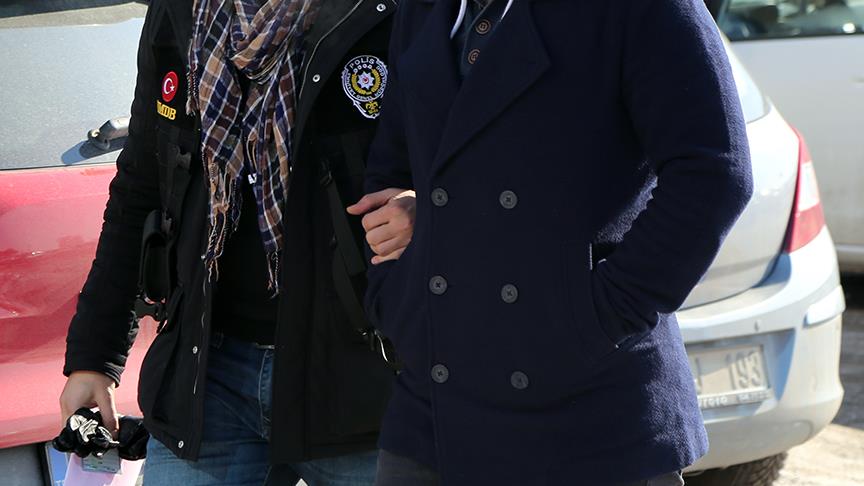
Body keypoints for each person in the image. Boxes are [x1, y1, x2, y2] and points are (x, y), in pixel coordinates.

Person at [354, 0, 754, 484]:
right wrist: (398, 294)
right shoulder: (423, 10)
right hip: (431, 408)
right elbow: (396, 162)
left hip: (588, 416)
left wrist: (600, 319)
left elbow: (715, 173)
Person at [58, 0, 414, 484]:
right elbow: (140, 186)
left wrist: (425, 210)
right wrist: (95, 357)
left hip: (362, 383)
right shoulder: (182, 11)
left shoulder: (396, 12)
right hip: (209, 382)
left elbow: (471, 164)